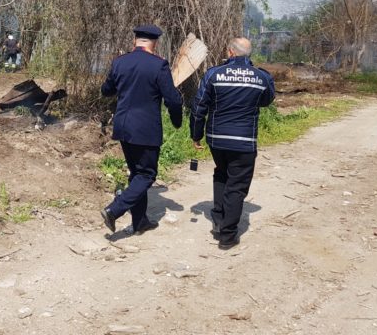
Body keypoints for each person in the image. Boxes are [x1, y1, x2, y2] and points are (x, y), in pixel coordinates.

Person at [190, 37, 275, 249]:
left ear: (230, 52)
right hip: (244, 141)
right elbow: (267, 100)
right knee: (236, 185)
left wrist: (196, 134)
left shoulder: (213, 74)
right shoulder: (261, 77)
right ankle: (227, 235)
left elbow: (199, 106)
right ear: (248, 54)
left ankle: (219, 219)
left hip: (217, 140)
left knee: (221, 173)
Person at [100, 24, 184, 236]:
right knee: (147, 174)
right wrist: (177, 120)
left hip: (123, 126)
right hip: (145, 129)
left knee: (136, 173)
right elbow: (173, 100)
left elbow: (106, 90)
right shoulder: (159, 65)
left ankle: (140, 222)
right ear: (154, 42)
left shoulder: (120, 62)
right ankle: (115, 209)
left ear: (135, 41)